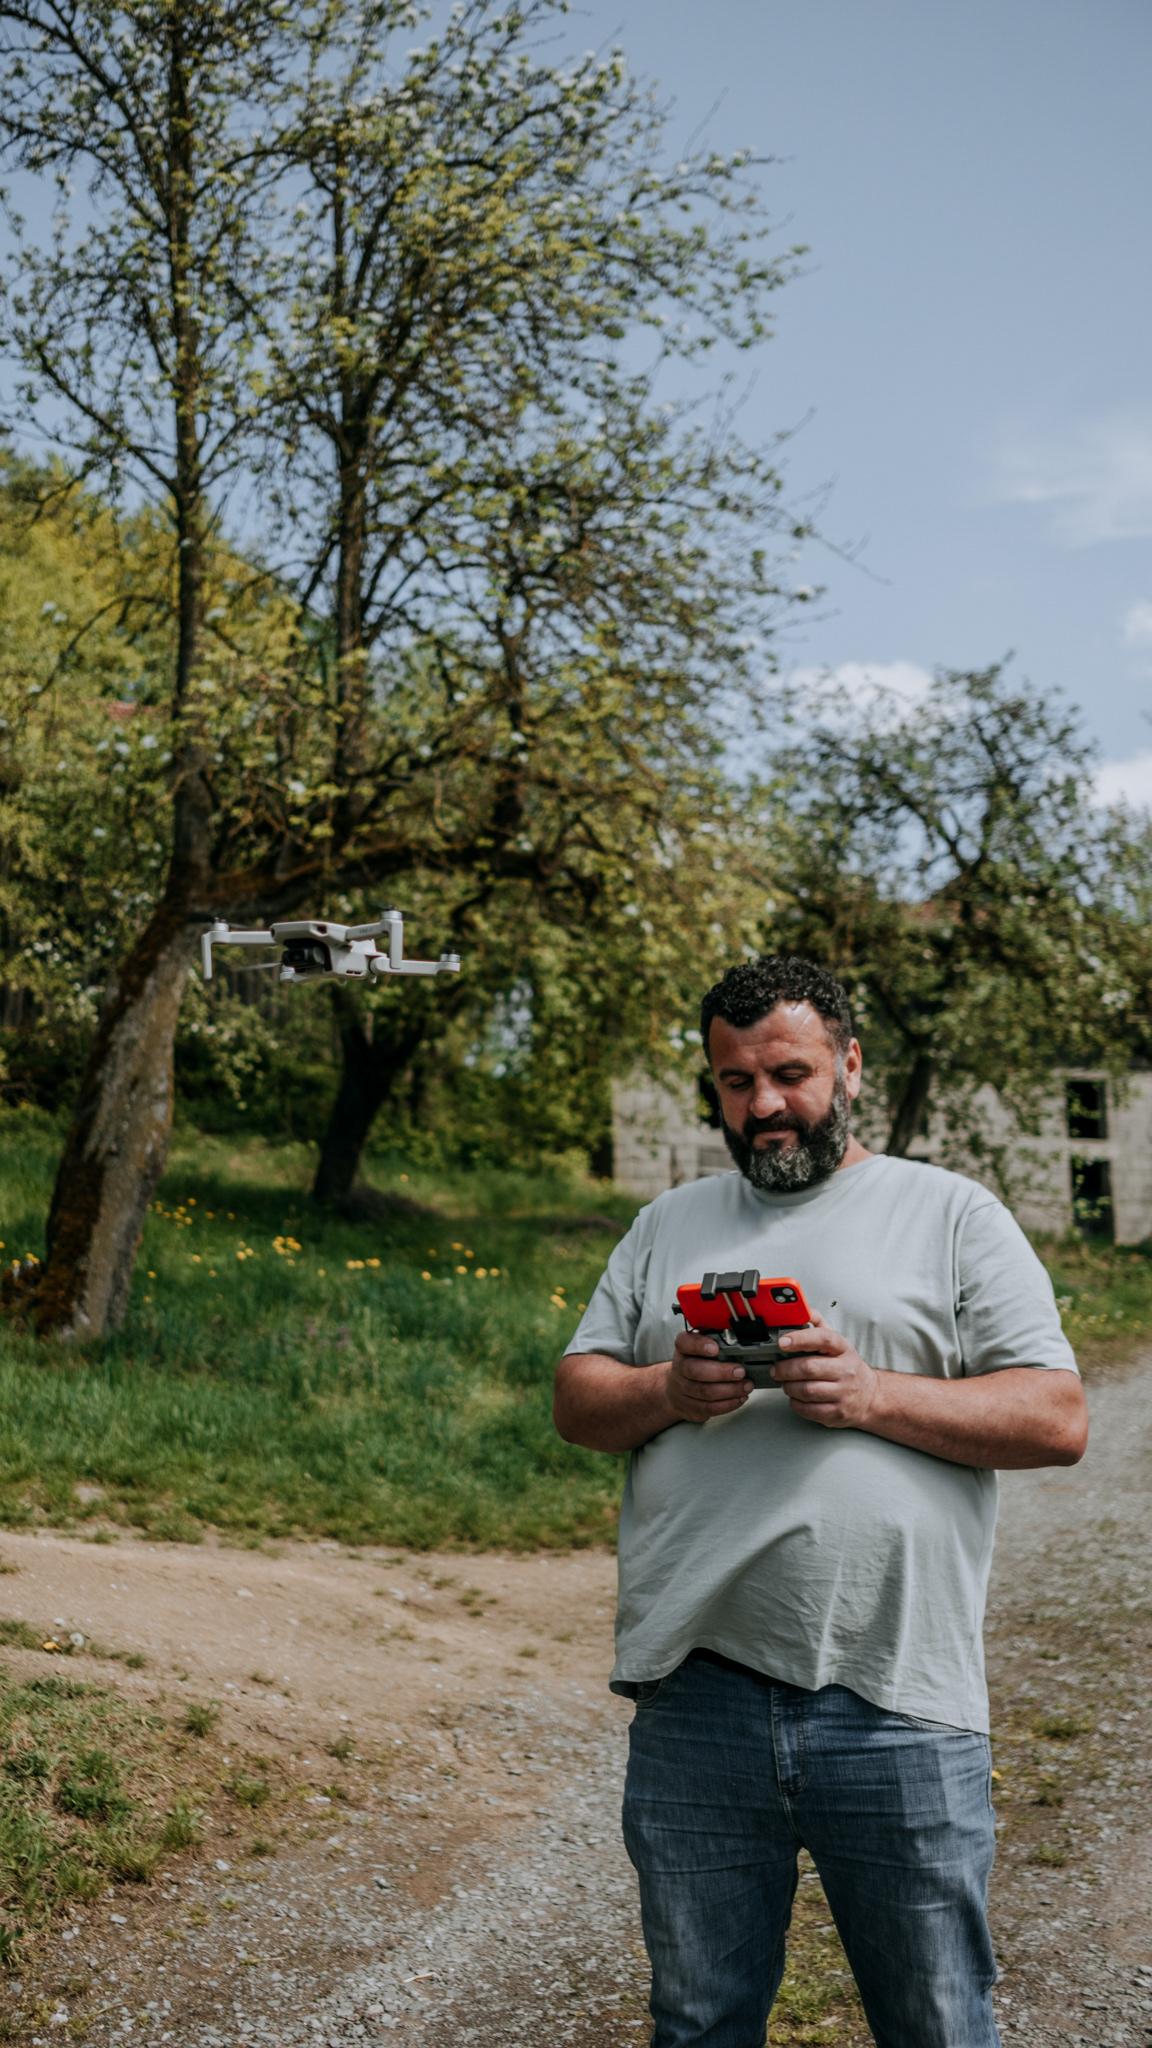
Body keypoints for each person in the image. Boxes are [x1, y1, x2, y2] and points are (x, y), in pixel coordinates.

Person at [554, 956, 1087, 2048]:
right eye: (735, 1081)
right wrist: (667, 1391)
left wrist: (873, 1393)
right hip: (695, 1691)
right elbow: (577, 1398)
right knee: (699, 2022)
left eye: (789, 1074)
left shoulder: (952, 1213)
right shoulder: (667, 1221)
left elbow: (1057, 1416)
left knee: (937, 2020)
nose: (763, 1105)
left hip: (898, 1694)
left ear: (849, 1065)